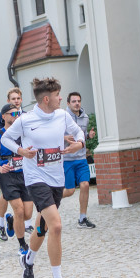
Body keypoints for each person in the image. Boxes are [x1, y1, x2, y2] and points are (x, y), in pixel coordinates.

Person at [1, 77, 85, 278]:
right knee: (56, 225)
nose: (61, 99)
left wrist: (79, 143)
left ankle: (28, 259)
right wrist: (21, 152)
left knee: (43, 226)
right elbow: (6, 139)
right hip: (35, 178)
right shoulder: (26, 120)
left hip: (56, 177)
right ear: (47, 98)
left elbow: (79, 133)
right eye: (58, 95)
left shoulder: (62, 115)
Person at [0, 103, 34, 254]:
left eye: (17, 113)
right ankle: (22, 245)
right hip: (8, 177)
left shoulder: (24, 134)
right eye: (12, 114)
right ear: (4, 116)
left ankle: (11, 220)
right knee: (19, 210)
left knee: (27, 214)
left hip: (24, 175)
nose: (16, 116)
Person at [0, 87, 25, 240]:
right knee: (5, 195)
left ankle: (16, 221)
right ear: (8, 101)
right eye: (13, 99)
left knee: (23, 207)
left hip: (22, 165)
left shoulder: (24, 115)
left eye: (18, 98)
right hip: (7, 162)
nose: (16, 101)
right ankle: (0, 223)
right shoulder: (2, 116)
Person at [62, 92, 96, 229]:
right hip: (67, 159)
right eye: (74, 101)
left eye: (79, 101)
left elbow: (81, 136)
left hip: (81, 159)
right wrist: (64, 138)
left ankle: (83, 218)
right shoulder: (62, 117)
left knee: (85, 185)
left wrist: (88, 135)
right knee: (70, 191)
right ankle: (50, 200)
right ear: (68, 103)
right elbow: (53, 135)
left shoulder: (85, 118)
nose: (77, 103)